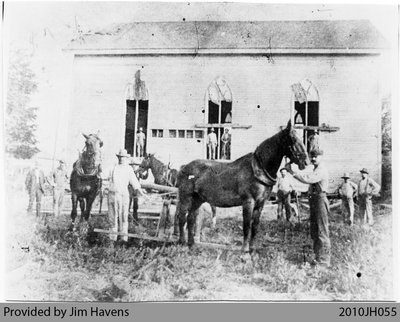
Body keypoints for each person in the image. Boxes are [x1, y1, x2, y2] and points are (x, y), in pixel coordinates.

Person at [286, 149, 331, 268]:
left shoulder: (321, 170)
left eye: (316, 156)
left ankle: (324, 261)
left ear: (321, 157)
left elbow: (308, 179)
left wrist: (292, 172)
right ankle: (318, 257)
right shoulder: (315, 169)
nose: (313, 159)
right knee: (315, 231)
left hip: (320, 199)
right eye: (312, 156)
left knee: (322, 231)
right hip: (314, 200)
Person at [108, 149, 144, 244]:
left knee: (124, 216)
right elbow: (105, 177)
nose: (122, 159)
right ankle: (113, 238)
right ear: (118, 158)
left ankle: (124, 239)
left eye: (123, 157)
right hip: (113, 194)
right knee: (112, 217)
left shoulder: (128, 169)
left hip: (123, 195)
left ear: (126, 158)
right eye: (120, 157)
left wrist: (140, 191)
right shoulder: (113, 168)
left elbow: (134, 182)